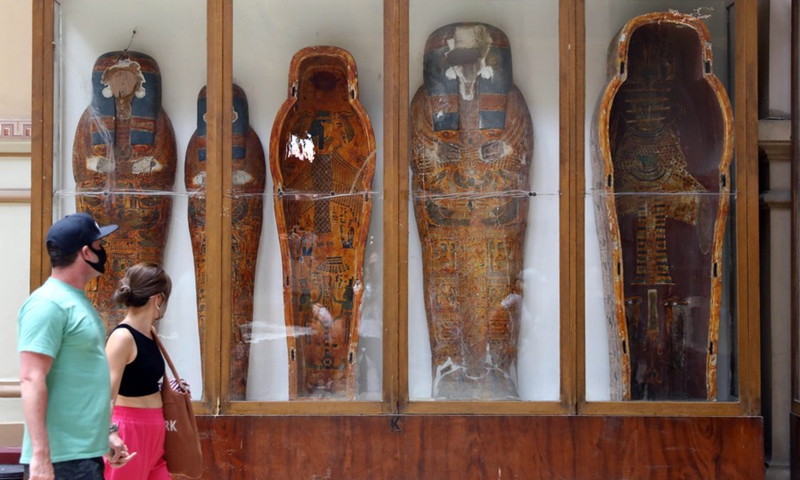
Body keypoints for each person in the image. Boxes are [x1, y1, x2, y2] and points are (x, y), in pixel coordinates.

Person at [18, 212, 134, 480]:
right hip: (62, 460)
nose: (103, 251)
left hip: (82, 455)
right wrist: (40, 456)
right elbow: (30, 378)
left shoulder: (75, 302)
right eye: (99, 245)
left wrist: (106, 434)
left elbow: (83, 378)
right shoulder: (47, 304)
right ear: (86, 252)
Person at [104, 263, 172, 480]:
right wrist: (110, 433)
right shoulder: (122, 337)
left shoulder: (150, 333)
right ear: (158, 298)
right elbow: (105, 393)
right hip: (128, 429)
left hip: (155, 427)